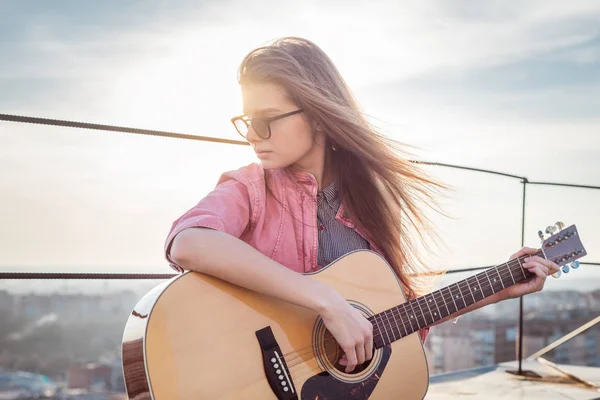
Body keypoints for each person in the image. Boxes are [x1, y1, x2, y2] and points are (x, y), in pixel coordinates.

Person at [164, 37, 559, 374]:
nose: (251, 134)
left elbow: (397, 319)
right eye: (247, 120)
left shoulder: (374, 204)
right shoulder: (249, 187)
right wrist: (326, 301)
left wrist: (500, 287)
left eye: (266, 119)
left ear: (317, 115)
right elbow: (189, 241)